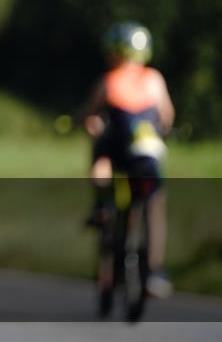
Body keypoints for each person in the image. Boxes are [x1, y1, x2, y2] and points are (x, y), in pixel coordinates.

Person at [82, 22, 175, 298]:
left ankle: (101, 205)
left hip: (116, 147)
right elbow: (167, 117)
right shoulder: (154, 79)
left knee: (100, 153)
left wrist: (91, 124)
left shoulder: (108, 80)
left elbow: (91, 116)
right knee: (154, 203)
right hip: (146, 153)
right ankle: (154, 271)